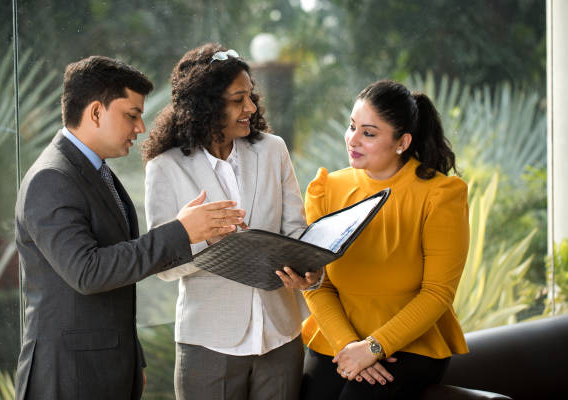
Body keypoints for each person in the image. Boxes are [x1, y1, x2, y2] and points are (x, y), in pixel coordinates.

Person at [14, 55, 245, 400]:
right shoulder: (52, 178)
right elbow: (88, 272)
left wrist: (129, 359)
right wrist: (181, 231)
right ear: (95, 112)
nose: (141, 128)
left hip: (106, 369)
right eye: (132, 115)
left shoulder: (95, 172)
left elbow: (119, 270)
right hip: (68, 379)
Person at [142, 43, 321, 400]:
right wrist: (201, 237)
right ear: (206, 106)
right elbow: (163, 266)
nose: (251, 107)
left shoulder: (273, 150)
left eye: (251, 96)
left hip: (281, 336)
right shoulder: (165, 168)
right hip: (209, 343)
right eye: (238, 100)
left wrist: (312, 269)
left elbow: (295, 230)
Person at [299, 80, 470, 399]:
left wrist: (375, 347)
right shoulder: (326, 189)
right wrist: (349, 346)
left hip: (410, 344)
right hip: (338, 339)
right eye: (352, 127)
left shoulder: (441, 195)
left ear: (402, 142)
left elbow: (437, 293)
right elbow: (318, 283)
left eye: (369, 133)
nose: (353, 140)